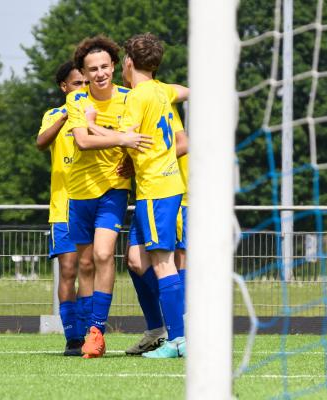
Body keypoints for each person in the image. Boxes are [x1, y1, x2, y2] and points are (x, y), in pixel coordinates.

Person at [65, 35, 152, 359]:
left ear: (114, 66)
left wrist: (129, 149)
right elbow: (83, 142)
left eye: (105, 66)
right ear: (84, 73)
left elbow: (142, 139)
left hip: (113, 191)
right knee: (84, 263)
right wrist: (122, 139)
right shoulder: (77, 100)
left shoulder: (131, 98)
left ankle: (96, 332)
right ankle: (86, 330)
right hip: (78, 192)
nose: (100, 73)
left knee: (103, 255)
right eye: (93, 69)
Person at [121, 32, 187, 359]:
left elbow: (126, 137)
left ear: (128, 62)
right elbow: (189, 92)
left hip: (156, 188)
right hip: (159, 187)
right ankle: (160, 327)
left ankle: (179, 338)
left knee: (163, 263)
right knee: (136, 258)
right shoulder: (162, 90)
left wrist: (92, 127)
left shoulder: (136, 96)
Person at [36, 61, 87, 356]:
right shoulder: (54, 114)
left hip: (90, 202)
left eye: (85, 83)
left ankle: (88, 331)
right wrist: (67, 114)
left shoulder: (99, 112)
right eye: (76, 84)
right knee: (68, 269)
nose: (82, 88)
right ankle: (72, 336)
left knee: (89, 268)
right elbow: (41, 143)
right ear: (64, 87)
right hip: (63, 206)